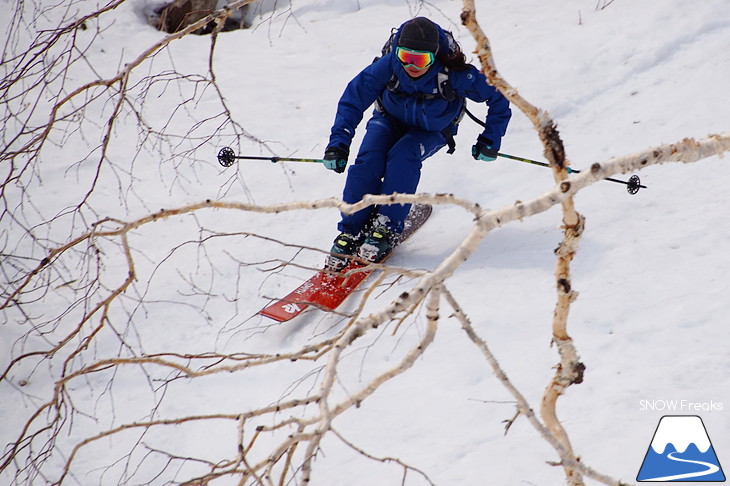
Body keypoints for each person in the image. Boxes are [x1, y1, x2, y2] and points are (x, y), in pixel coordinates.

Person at [322, 17, 511, 271]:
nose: (411, 65)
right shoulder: (390, 65)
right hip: (389, 120)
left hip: (432, 129)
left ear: (434, 56)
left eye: (420, 60)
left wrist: (490, 139)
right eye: (405, 56)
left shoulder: (453, 74)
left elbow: (498, 99)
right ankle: (351, 230)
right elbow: (353, 99)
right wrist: (339, 143)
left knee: (403, 156)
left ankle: (386, 228)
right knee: (367, 163)